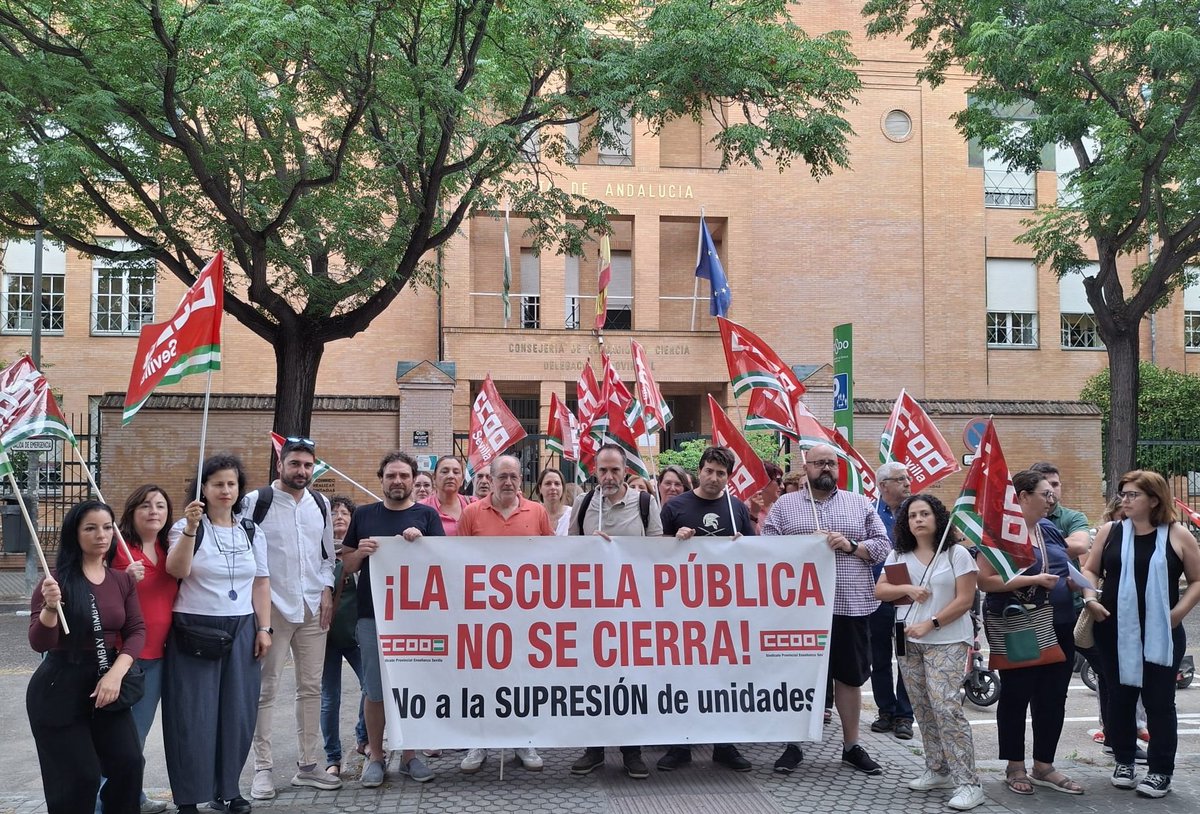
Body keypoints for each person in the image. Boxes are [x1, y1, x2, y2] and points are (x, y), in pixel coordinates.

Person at [762, 443, 891, 776]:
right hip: (799, 610)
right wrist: (801, 546)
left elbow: (882, 546)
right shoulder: (785, 506)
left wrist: (849, 545)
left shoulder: (859, 504)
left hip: (849, 605)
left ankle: (851, 746)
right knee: (798, 676)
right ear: (806, 468)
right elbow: (765, 545)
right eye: (819, 463)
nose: (826, 469)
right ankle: (794, 744)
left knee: (849, 678)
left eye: (831, 463)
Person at [163, 454, 272, 814]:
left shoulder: (251, 530)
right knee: (193, 716)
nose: (225, 490)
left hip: (241, 627)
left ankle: (228, 790)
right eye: (217, 484)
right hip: (195, 629)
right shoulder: (185, 527)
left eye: (231, 484)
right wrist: (192, 529)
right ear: (203, 489)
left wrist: (264, 628)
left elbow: (261, 582)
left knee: (237, 715)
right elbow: (176, 570)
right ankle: (188, 798)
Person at [1082, 470, 1200, 798]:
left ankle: (1161, 770)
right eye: (1123, 493)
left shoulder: (1177, 535)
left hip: (1162, 632)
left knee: (1159, 702)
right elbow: (1090, 569)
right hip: (1114, 631)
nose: (1124, 500)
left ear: (1154, 499)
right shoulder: (1111, 531)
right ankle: (1124, 760)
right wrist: (1090, 598)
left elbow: (1197, 581)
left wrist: (1177, 614)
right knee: (1119, 698)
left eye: (1132, 494)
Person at [28, 500, 146, 814]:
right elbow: (39, 643)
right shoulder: (54, 583)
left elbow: (136, 631)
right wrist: (51, 609)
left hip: (107, 681)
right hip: (59, 687)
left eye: (107, 527)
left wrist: (115, 674)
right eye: (90, 528)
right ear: (75, 534)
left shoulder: (121, 580)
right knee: (79, 779)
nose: (101, 535)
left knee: (129, 764)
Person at [340, 451, 443, 787]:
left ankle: (411, 756)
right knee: (375, 689)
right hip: (373, 617)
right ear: (381, 479)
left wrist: (422, 543)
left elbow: (444, 563)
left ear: (414, 480)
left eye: (403, 476)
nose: (397, 481)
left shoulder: (427, 516)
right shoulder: (365, 515)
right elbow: (348, 565)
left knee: (413, 686)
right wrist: (361, 553)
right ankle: (376, 756)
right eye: (391, 476)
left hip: (417, 618)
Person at [245, 438, 339, 800]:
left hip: (313, 608)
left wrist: (327, 589)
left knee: (311, 688)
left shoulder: (321, 502)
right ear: (280, 463)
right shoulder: (256, 502)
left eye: (307, 465)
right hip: (273, 611)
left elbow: (327, 555)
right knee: (265, 691)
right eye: (295, 464)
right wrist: (259, 619)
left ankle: (308, 765)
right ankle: (263, 769)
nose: (302, 471)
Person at [875, 495, 983, 811]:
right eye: (912, 516)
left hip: (947, 639)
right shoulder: (899, 554)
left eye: (925, 513)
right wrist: (906, 590)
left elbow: (965, 600)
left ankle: (969, 783)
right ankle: (937, 769)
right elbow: (880, 591)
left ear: (938, 517)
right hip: (907, 640)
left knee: (946, 706)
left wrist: (931, 623)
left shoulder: (956, 554)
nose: (919, 519)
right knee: (922, 707)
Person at [979, 470, 1079, 797]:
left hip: (1059, 622)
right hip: (1019, 623)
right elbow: (985, 580)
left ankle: (1044, 765)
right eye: (1045, 494)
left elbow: (1066, 565)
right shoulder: (1001, 532)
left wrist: (1081, 587)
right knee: (1017, 694)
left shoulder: (1049, 529)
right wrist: (1032, 581)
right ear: (1022, 496)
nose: (1052, 500)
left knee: (1053, 696)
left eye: (1053, 494)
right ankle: (1015, 765)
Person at [566, 444, 663, 779]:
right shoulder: (583, 504)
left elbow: (658, 554)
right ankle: (594, 749)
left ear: (626, 472)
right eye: (603, 470)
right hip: (592, 611)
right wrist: (588, 547)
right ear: (595, 471)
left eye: (615, 471)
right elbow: (568, 553)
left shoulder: (646, 504)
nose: (608, 477)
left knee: (630, 681)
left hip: (632, 611)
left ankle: (631, 752)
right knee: (593, 680)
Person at [657, 446, 755, 773]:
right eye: (709, 471)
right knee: (682, 677)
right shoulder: (675, 507)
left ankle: (724, 745)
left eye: (721, 473)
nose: (714, 478)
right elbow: (652, 553)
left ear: (728, 477)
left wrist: (743, 545)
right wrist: (674, 539)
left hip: (724, 612)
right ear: (699, 471)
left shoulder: (737, 508)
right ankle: (679, 745)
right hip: (682, 611)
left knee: (724, 678)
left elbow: (756, 555)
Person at [457, 454, 552, 773]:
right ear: (491, 479)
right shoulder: (471, 513)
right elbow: (456, 561)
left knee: (523, 678)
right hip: (483, 614)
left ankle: (523, 740)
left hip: (526, 614)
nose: (509, 482)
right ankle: (478, 742)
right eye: (502, 477)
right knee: (481, 678)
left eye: (514, 476)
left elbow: (552, 559)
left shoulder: (537, 512)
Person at [110, 485, 178, 814]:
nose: (153, 511)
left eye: (161, 506)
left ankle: (132, 797)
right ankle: (106, 804)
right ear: (132, 511)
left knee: (138, 736)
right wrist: (122, 578)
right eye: (146, 505)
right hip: (123, 658)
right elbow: (93, 587)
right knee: (119, 738)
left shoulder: (171, 547)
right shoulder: (117, 547)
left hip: (159, 657)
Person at [321, 496, 368, 777]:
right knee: (329, 697)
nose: (339, 516)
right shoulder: (320, 551)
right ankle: (332, 756)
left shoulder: (359, 552)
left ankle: (363, 738)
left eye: (344, 513)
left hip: (356, 635)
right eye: (334, 513)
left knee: (370, 688)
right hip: (324, 636)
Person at [867, 462, 914, 741]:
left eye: (908, 478)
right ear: (884, 485)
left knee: (906, 656)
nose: (908, 483)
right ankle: (885, 710)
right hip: (879, 597)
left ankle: (904, 716)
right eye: (901, 479)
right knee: (880, 657)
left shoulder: (916, 512)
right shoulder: (870, 513)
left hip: (908, 599)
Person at [423, 455, 471, 535]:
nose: (451, 476)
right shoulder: (421, 508)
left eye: (456, 472)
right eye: (445, 472)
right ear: (434, 478)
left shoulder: (473, 504)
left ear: (462, 480)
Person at [748, 460, 783, 532]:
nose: (782, 486)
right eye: (778, 481)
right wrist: (753, 514)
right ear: (763, 481)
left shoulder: (780, 509)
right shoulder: (743, 508)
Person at [536, 467, 572, 536]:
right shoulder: (533, 514)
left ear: (563, 488)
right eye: (548, 483)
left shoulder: (572, 515)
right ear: (540, 488)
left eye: (557, 483)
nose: (553, 487)